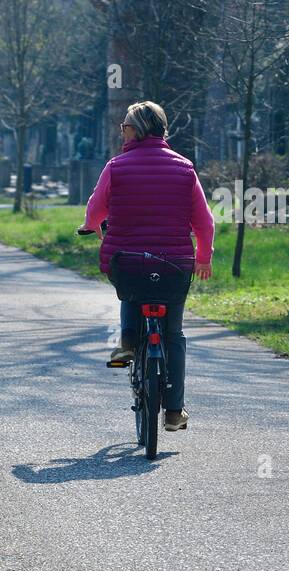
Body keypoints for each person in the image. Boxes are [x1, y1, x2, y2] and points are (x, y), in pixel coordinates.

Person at [81, 101, 214, 432]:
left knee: (131, 291)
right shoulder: (185, 169)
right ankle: (173, 412)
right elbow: (205, 222)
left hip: (129, 263)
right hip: (174, 265)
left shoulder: (117, 166)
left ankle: (126, 344)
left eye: (124, 125)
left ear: (137, 130)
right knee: (174, 334)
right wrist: (203, 258)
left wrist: (90, 225)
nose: (121, 131)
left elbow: (96, 208)